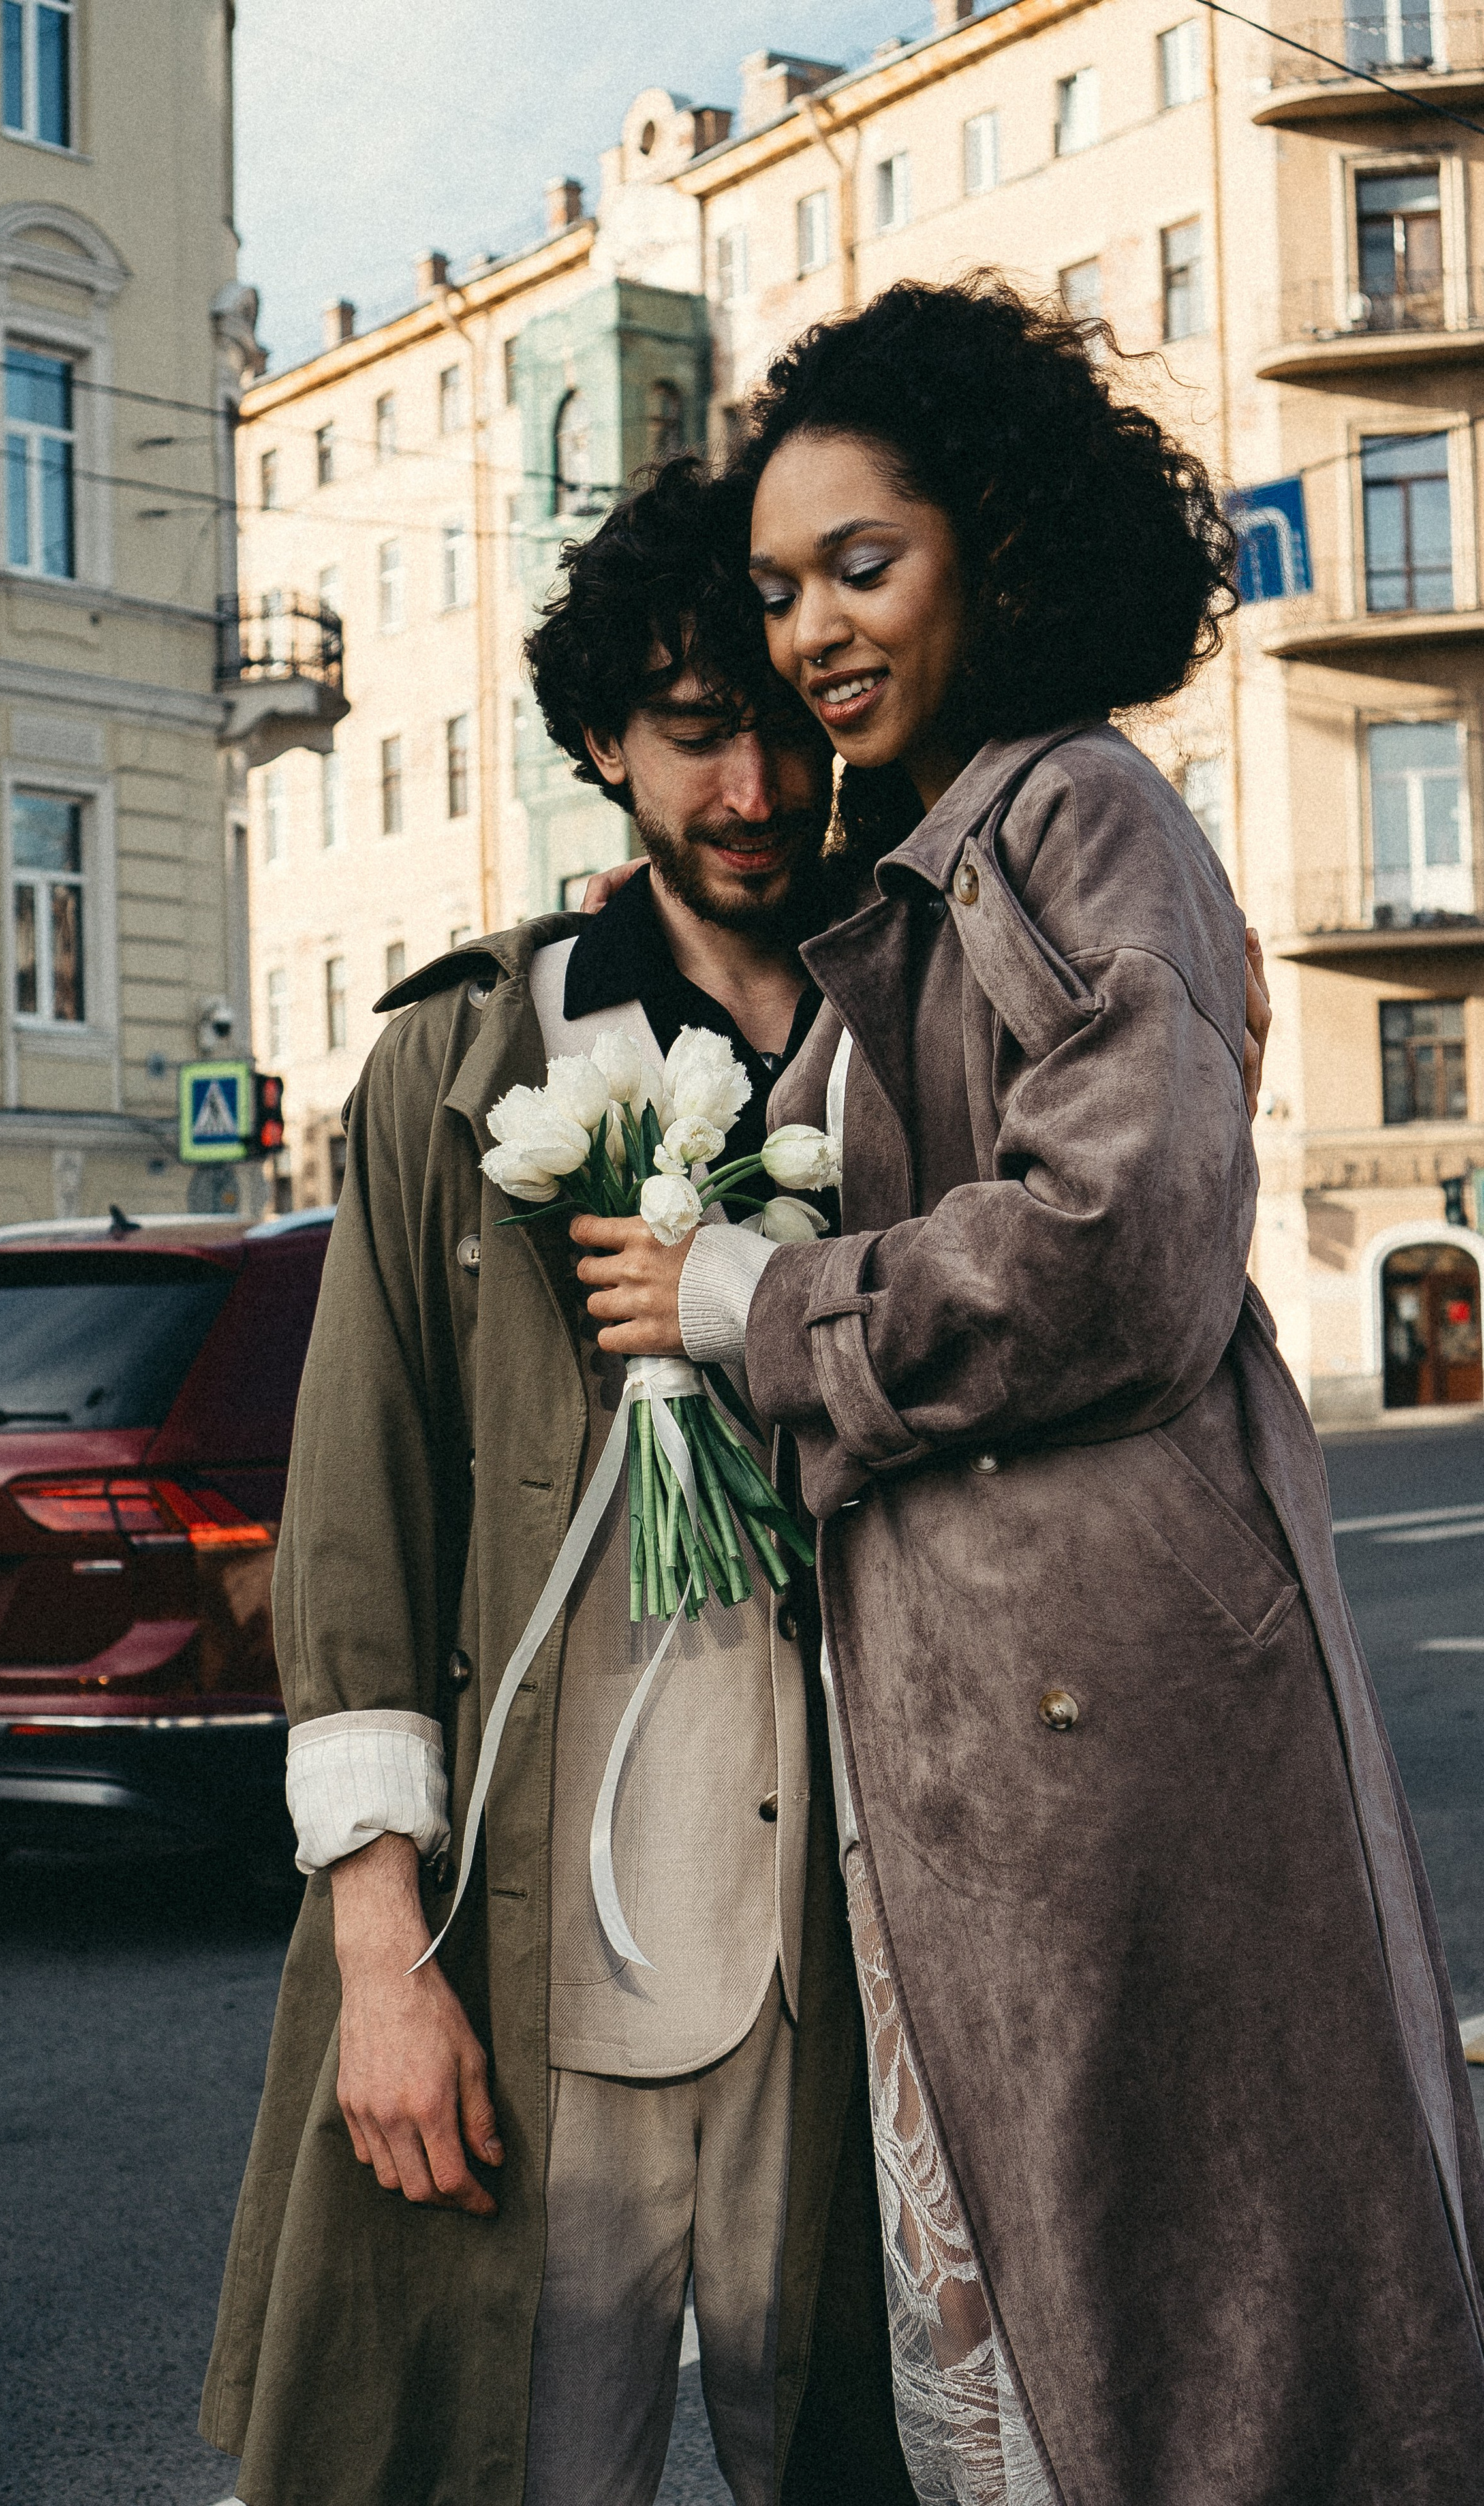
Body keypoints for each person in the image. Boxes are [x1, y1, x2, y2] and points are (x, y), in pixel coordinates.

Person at [572, 279, 1484, 2505]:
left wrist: (746, 1312)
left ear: (997, 541)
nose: (810, 634)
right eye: (780, 590)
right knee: (1066, 2324)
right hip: (998, 1726)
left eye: (860, 565)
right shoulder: (943, 851)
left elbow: (1118, 1251)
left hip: (1108, 1709)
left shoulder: (1072, 809)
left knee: (1183, 2339)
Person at [200, 455, 920, 2506]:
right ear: (607, 740)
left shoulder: (928, 1055)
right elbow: (355, 1539)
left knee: (890, 2461)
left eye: (791, 723)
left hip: (858, 1976)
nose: (759, 786)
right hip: (530, 1979)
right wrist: (378, 1972)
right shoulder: (459, 1066)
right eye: (700, 734)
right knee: (504, 2467)